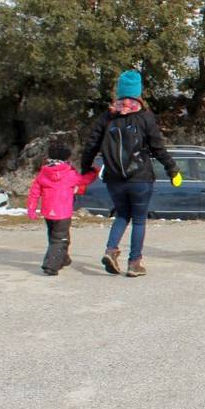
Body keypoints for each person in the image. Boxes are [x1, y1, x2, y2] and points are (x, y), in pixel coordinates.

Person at [80, 69, 180, 278]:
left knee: (122, 214)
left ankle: (111, 250)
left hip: (114, 178)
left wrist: (86, 168)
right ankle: (134, 263)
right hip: (140, 178)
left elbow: (91, 145)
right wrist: (172, 169)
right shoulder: (145, 117)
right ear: (138, 93)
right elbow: (157, 147)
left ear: (119, 92)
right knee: (139, 220)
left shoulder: (107, 117)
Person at [26, 140, 97, 276]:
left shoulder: (43, 172)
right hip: (62, 212)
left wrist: (32, 209)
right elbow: (84, 180)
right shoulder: (69, 173)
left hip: (48, 211)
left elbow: (34, 192)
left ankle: (63, 258)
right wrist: (93, 173)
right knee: (60, 238)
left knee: (54, 236)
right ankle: (51, 265)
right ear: (67, 157)